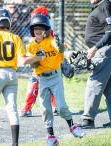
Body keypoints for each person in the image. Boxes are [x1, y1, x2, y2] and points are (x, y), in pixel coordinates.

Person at [24, 14, 85, 145]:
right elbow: (30, 63)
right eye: (36, 29)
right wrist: (36, 59)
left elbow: (60, 49)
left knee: (61, 106)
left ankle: (73, 126)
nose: (38, 31)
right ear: (32, 31)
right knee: (45, 109)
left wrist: (61, 46)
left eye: (41, 29)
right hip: (42, 79)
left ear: (46, 30)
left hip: (55, 77)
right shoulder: (31, 46)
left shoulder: (51, 40)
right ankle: (51, 136)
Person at [0, 8, 36, 146]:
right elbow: (23, 60)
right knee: (12, 109)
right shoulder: (15, 37)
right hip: (12, 75)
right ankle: (15, 144)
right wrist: (38, 57)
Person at [80, 0, 111, 128]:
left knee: (94, 82)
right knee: (109, 87)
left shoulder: (105, 5)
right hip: (108, 49)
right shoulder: (99, 6)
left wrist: (95, 48)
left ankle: (88, 119)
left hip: (106, 49)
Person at [20, 6, 58, 117]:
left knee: (37, 84)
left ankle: (27, 109)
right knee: (44, 85)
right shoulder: (40, 33)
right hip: (40, 64)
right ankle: (56, 107)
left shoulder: (49, 33)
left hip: (48, 65)